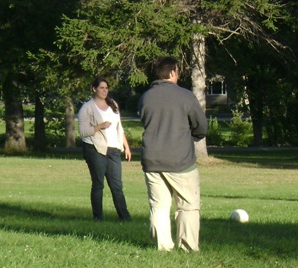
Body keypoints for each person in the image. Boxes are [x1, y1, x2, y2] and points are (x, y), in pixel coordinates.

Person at [139, 57, 208, 252]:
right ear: (172, 73)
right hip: (180, 160)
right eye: (177, 70)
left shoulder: (146, 97)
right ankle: (187, 246)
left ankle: (163, 247)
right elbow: (201, 126)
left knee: (159, 205)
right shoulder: (185, 96)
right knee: (188, 205)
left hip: (152, 159)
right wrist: (192, 136)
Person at [77, 76, 132, 221]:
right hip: (95, 149)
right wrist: (100, 126)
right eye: (101, 88)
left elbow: (119, 127)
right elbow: (83, 131)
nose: (104, 91)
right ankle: (98, 217)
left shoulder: (113, 104)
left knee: (117, 185)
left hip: (114, 149)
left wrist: (126, 146)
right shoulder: (87, 108)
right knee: (98, 184)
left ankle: (125, 217)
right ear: (94, 89)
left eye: (106, 88)